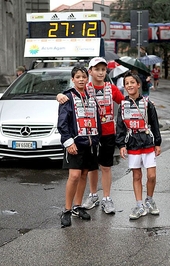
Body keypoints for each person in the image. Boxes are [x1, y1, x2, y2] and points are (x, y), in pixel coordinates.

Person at [57, 57, 125, 214]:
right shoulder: (85, 87)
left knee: (105, 167)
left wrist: (146, 104)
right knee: (90, 168)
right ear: (90, 71)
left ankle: (106, 198)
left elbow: (124, 102)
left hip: (107, 133)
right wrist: (58, 95)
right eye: (97, 69)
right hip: (88, 136)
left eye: (103, 69)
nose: (100, 72)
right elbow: (69, 94)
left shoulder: (111, 88)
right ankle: (93, 195)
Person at [58, 66, 101, 228]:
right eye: (78, 77)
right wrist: (68, 142)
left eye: (83, 76)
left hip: (90, 144)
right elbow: (62, 123)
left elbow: (97, 119)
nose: (81, 79)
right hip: (75, 144)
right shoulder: (67, 98)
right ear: (73, 79)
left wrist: (96, 140)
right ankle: (67, 210)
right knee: (74, 175)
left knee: (84, 174)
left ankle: (78, 206)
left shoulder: (91, 97)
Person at [115, 71, 162, 220]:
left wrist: (158, 143)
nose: (129, 85)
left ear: (138, 84)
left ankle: (150, 200)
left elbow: (154, 124)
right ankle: (139, 205)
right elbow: (120, 126)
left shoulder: (147, 103)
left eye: (132, 82)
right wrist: (121, 144)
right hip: (133, 143)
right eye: (126, 83)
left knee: (151, 175)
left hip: (147, 142)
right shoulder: (123, 105)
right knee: (136, 175)